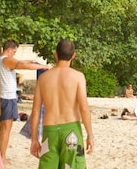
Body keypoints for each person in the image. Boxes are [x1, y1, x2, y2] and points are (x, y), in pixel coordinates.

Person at [28, 39, 92, 168]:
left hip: (50, 130)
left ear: (55, 54)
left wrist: (34, 138)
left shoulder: (43, 78)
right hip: (71, 129)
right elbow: (84, 109)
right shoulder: (78, 76)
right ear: (73, 55)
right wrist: (90, 135)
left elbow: (35, 111)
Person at [0, 40, 50, 162]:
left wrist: (33, 61)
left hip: (0, 97)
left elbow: (23, 62)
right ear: (10, 49)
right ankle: (1, 157)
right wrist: (43, 66)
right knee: (6, 128)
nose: (14, 54)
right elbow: (24, 66)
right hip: (7, 97)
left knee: (2, 127)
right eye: (14, 51)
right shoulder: (6, 60)